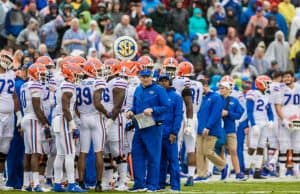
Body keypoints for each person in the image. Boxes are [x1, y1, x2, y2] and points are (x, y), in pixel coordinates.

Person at [126, 68, 170, 192]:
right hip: (140, 123)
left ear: (151, 77)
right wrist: (131, 111)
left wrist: (153, 109)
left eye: (147, 76)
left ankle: (152, 185)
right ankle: (139, 184)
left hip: (153, 124)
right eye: (143, 76)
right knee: (137, 154)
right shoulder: (138, 89)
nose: (145, 79)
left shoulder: (159, 90)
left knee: (153, 156)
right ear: (140, 77)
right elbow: (135, 106)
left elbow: (166, 106)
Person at [51, 63, 85, 192]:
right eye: (76, 74)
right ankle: (71, 184)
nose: (78, 77)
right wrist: (72, 124)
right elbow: (66, 108)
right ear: (70, 74)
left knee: (60, 154)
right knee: (69, 154)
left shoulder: (65, 85)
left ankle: (57, 183)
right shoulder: (68, 86)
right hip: (64, 120)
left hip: (60, 119)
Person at [77, 59, 108, 192]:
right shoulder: (98, 82)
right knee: (98, 152)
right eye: (98, 70)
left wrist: (81, 116)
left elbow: (74, 106)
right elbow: (97, 102)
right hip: (96, 118)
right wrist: (107, 113)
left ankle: (81, 182)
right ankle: (99, 183)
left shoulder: (78, 83)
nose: (100, 73)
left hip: (83, 118)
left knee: (82, 153)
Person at [20, 63, 50, 192]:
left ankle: (26, 184)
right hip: (33, 119)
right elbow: (37, 108)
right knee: (36, 153)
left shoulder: (24, 85)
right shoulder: (35, 85)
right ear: (33, 73)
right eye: (40, 74)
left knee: (28, 152)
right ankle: (35, 184)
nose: (42, 77)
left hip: (26, 117)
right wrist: (45, 123)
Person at [196, 78, 226, 180]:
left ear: (205, 85)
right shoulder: (200, 98)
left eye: (200, 87)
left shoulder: (215, 97)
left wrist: (208, 126)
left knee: (208, 151)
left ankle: (223, 166)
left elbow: (216, 113)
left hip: (211, 130)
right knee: (199, 152)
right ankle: (201, 174)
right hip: (199, 129)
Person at [246, 75, 274, 179]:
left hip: (264, 123)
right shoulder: (252, 93)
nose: (268, 85)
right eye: (267, 83)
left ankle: (257, 171)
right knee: (252, 147)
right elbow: (249, 111)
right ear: (260, 83)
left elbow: (269, 111)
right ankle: (246, 170)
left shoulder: (267, 95)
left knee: (261, 147)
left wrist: (271, 120)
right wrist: (253, 124)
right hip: (256, 122)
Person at [158, 74, 183, 192]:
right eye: (161, 81)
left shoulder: (176, 96)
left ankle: (175, 186)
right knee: (160, 160)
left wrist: (174, 131)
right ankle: (160, 184)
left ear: (170, 82)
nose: (163, 83)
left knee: (173, 160)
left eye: (165, 81)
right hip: (157, 132)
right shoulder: (156, 95)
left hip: (169, 132)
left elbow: (178, 115)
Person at [218, 76, 245, 180]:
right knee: (220, 150)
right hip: (218, 129)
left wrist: (228, 113)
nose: (221, 90)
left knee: (233, 150)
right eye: (220, 88)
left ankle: (238, 173)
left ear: (229, 89)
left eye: (223, 88)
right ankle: (223, 169)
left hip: (230, 129)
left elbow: (239, 114)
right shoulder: (216, 99)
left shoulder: (234, 100)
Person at [275, 71, 300, 178]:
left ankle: (296, 169)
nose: (286, 79)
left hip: (297, 118)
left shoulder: (298, 87)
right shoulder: (279, 89)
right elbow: (278, 106)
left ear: (293, 77)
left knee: (297, 146)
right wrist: (284, 120)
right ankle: (282, 170)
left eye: (288, 77)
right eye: (284, 77)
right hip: (284, 120)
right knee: (284, 145)